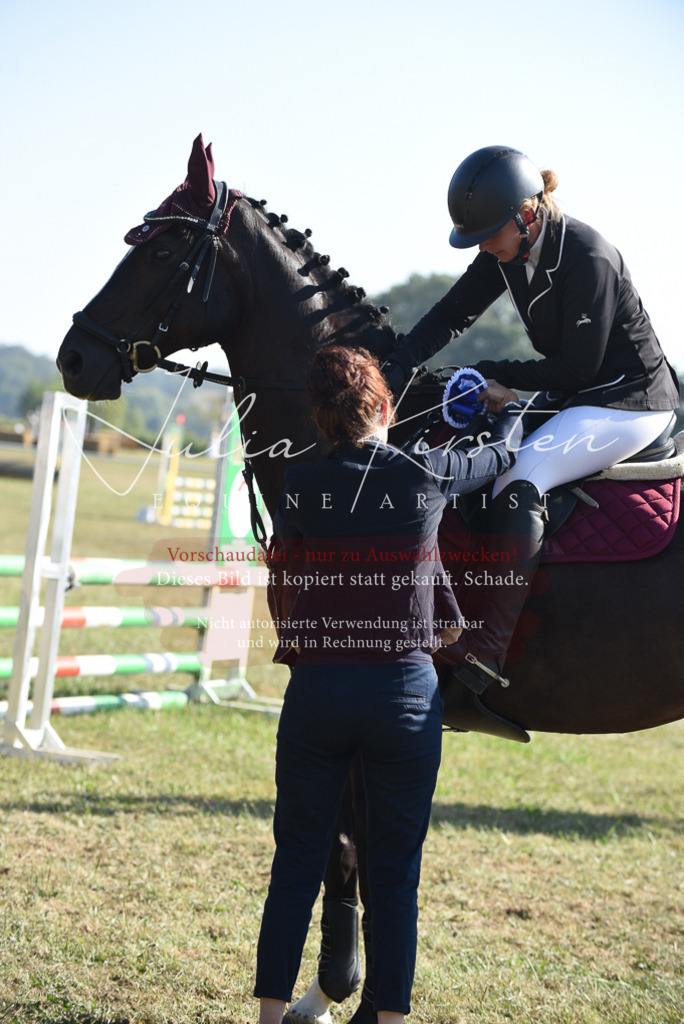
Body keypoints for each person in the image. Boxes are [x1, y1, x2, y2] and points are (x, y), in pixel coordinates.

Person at [253, 344, 522, 1024]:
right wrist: (507, 413)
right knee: (395, 876)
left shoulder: (298, 483)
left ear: (319, 418)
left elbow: (288, 562)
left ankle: (266, 1017)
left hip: (317, 692)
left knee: (294, 867)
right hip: (403, 694)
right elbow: (498, 458)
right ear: (383, 405)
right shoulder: (426, 472)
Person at [383, 145, 680, 689]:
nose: (485, 249)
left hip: (631, 401)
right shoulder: (511, 249)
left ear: (527, 215)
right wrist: (398, 364)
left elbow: (575, 366)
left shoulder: (588, 256)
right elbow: (454, 312)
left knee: (521, 477)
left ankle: (486, 653)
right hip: (584, 393)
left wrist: (491, 369)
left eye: (490, 236)